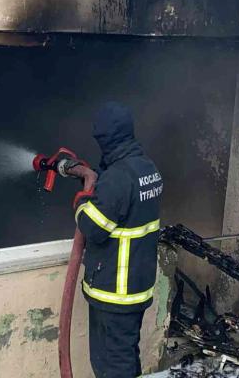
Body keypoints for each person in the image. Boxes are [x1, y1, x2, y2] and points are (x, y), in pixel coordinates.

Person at [74, 102, 163, 378]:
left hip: (115, 291)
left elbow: (93, 228)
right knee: (126, 358)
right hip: (136, 288)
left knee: (111, 366)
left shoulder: (118, 178)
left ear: (106, 138)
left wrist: (82, 201)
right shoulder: (147, 168)